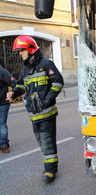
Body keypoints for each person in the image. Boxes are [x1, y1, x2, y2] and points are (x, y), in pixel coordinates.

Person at [6, 35, 64, 183]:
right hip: (34, 114)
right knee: (41, 141)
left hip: (47, 113)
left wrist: (46, 99)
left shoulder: (46, 64)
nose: (20, 54)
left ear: (30, 49)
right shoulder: (26, 69)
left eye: (21, 50)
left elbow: (58, 82)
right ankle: (50, 165)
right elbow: (21, 85)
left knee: (47, 141)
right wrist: (14, 93)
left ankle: (50, 171)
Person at [0, 66, 16, 153]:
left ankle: (3, 145)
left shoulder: (2, 71)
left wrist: (12, 93)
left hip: (3, 103)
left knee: (2, 124)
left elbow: (13, 83)